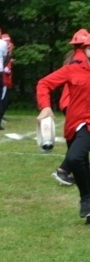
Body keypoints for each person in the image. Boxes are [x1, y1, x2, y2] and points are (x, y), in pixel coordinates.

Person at [36, 31, 90, 221]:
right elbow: (44, 84)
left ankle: (86, 200)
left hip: (88, 125)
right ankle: (87, 202)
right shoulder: (72, 69)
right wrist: (45, 107)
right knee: (81, 163)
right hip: (74, 124)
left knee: (75, 158)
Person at [51, 29, 87, 187]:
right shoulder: (79, 58)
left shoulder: (71, 56)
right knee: (81, 143)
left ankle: (67, 171)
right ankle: (63, 170)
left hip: (69, 103)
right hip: (76, 104)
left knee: (79, 143)